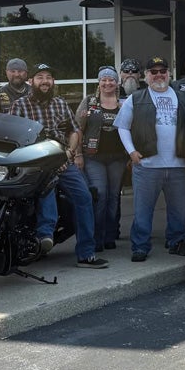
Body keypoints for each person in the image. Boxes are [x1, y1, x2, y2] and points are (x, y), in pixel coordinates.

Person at [9, 63, 106, 268]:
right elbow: (13, 139)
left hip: (62, 160)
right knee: (47, 187)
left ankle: (86, 253)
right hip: (34, 164)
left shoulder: (60, 104)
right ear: (31, 81)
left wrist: (69, 152)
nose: (45, 81)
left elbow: (75, 131)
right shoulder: (19, 106)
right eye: (40, 77)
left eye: (49, 77)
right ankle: (43, 237)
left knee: (84, 197)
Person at [114, 56, 185, 262]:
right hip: (147, 165)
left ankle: (176, 241)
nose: (159, 75)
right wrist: (131, 151)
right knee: (142, 210)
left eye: (163, 71)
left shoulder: (184, 98)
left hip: (179, 165)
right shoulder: (136, 98)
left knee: (179, 210)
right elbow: (123, 126)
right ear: (146, 76)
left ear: (169, 74)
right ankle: (140, 246)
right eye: (154, 72)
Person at [75, 66, 127, 252]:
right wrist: (78, 154)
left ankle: (110, 235)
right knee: (100, 194)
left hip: (118, 158)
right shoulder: (89, 102)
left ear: (117, 82)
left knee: (114, 197)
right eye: (104, 80)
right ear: (99, 82)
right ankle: (96, 237)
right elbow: (77, 129)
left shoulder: (124, 102)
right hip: (93, 157)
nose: (107, 83)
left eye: (111, 80)